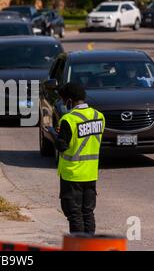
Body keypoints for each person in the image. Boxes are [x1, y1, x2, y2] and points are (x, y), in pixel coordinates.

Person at [52, 83, 105, 235]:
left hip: (72, 175)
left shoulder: (68, 120)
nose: (63, 104)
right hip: (90, 173)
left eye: (63, 101)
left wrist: (55, 135)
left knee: (74, 214)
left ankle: (79, 246)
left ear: (69, 100)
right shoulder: (98, 116)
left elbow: (62, 146)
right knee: (88, 213)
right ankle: (90, 246)